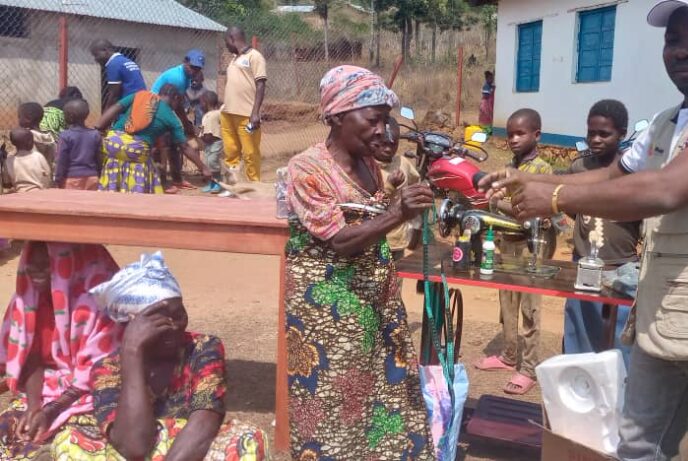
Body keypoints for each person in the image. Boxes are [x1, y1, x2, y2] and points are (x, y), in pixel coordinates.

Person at [482, 1, 688, 459]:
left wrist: (553, 198)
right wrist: (530, 179)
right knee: (640, 446)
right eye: (673, 40)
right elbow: (613, 177)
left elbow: (667, 189)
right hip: (663, 319)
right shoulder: (667, 122)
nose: (683, 50)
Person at [284, 65, 435, 460]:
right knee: (336, 404)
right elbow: (340, 240)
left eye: (385, 121)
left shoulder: (369, 164)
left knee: (386, 394)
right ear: (336, 116)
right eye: (372, 120)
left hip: (376, 303)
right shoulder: (307, 169)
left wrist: (401, 197)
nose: (381, 131)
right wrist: (397, 213)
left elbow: (373, 213)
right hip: (331, 314)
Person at [51, 251, 269, 460]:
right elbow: (134, 445)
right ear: (131, 325)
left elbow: (205, 421)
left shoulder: (202, 349)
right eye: (158, 320)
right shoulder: (107, 369)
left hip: (188, 452)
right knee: (69, 442)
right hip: (133, 449)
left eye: (179, 314)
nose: (174, 326)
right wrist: (132, 353)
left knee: (246, 438)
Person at [0, 243, 123, 460]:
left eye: (46, 266)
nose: (36, 272)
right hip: (47, 386)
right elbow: (31, 356)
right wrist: (34, 406)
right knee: (9, 427)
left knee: (75, 443)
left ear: (71, 264)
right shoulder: (29, 298)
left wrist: (52, 410)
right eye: (32, 265)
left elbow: (99, 371)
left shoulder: (97, 305)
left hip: (94, 390)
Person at [473, 108, 554, 395]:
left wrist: (497, 202)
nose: (514, 139)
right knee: (506, 302)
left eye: (520, 133)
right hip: (506, 241)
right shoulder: (509, 167)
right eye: (509, 134)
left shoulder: (542, 170)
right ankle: (509, 356)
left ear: (537, 135)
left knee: (529, 308)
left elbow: (527, 212)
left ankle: (529, 368)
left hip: (531, 247)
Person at [562, 100, 640, 366]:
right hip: (583, 265)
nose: (595, 139)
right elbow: (571, 207)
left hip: (620, 268)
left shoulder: (632, 172)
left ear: (622, 133)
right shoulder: (579, 168)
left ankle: (619, 398)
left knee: (619, 342)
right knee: (580, 332)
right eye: (591, 133)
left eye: (604, 134)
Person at [94, 84, 212, 194]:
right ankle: (140, 194)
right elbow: (184, 147)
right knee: (150, 171)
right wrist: (203, 168)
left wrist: (99, 127)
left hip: (112, 144)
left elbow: (116, 107)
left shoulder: (140, 95)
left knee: (130, 158)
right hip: (135, 151)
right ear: (175, 98)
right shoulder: (171, 119)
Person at [151, 49, 206, 193]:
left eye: (198, 69)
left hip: (165, 109)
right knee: (162, 146)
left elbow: (178, 102)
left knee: (174, 143)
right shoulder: (178, 77)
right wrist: (185, 122)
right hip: (157, 111)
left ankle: (176, 179)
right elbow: (176, 104)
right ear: (185, 62)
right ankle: (162, 181)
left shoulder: (186, 76)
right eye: (193, 67)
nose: (195, 71)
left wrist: (186, 122)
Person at [222, 26, 268, 183]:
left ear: (231, 39)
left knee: (250, 153)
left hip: (246, 116)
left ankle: (254, 185)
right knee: (230, 152)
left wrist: (255, 112)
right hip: (228, 114)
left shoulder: (255, 57)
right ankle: (232, 185)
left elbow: (261, 84)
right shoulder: (234, 59)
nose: (226, 47)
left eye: (226, 42)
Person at [376, 116, 422, 262]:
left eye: (393, 143)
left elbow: (416, 185)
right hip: (373, 241)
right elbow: (367, 202)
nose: (388, 148)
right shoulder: (367, 167)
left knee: (396, 281)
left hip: (397, 240)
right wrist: (389, 187)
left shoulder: (403, 163)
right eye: (383, 143)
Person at [54, 99, 102, 191]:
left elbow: (61, 160)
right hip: (92, 177)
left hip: (72, 178)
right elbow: (99, 157)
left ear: (71, 117)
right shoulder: (95, 134)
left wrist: (58, 179)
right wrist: (99, 173)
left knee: (72, 204)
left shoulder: (65, 136)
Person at [90, 40, 147, 110]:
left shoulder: (113, 64)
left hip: (130, 105)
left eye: (96, 55)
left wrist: (105, 115)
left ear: (105, 50)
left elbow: (114, 96)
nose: (95, 59)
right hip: (143, 101)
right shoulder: (125, 60)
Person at [2, 128, 51, 193]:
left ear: (13, 143)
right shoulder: (38, 157)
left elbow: (7, 184)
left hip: (19, 193)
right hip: (39, 192)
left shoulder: (9, 161)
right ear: (30, 142)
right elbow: (48, 175)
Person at [199, 91, 225, 194]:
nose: (200, 105)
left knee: (213, 162)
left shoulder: (215, 114)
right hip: (208, 145)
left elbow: (210, 133)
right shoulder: (206, 115)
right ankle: (211, 184)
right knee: (208, 163)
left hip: (215, 143)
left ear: (206, 102)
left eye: (201, 102)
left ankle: (218, 183)